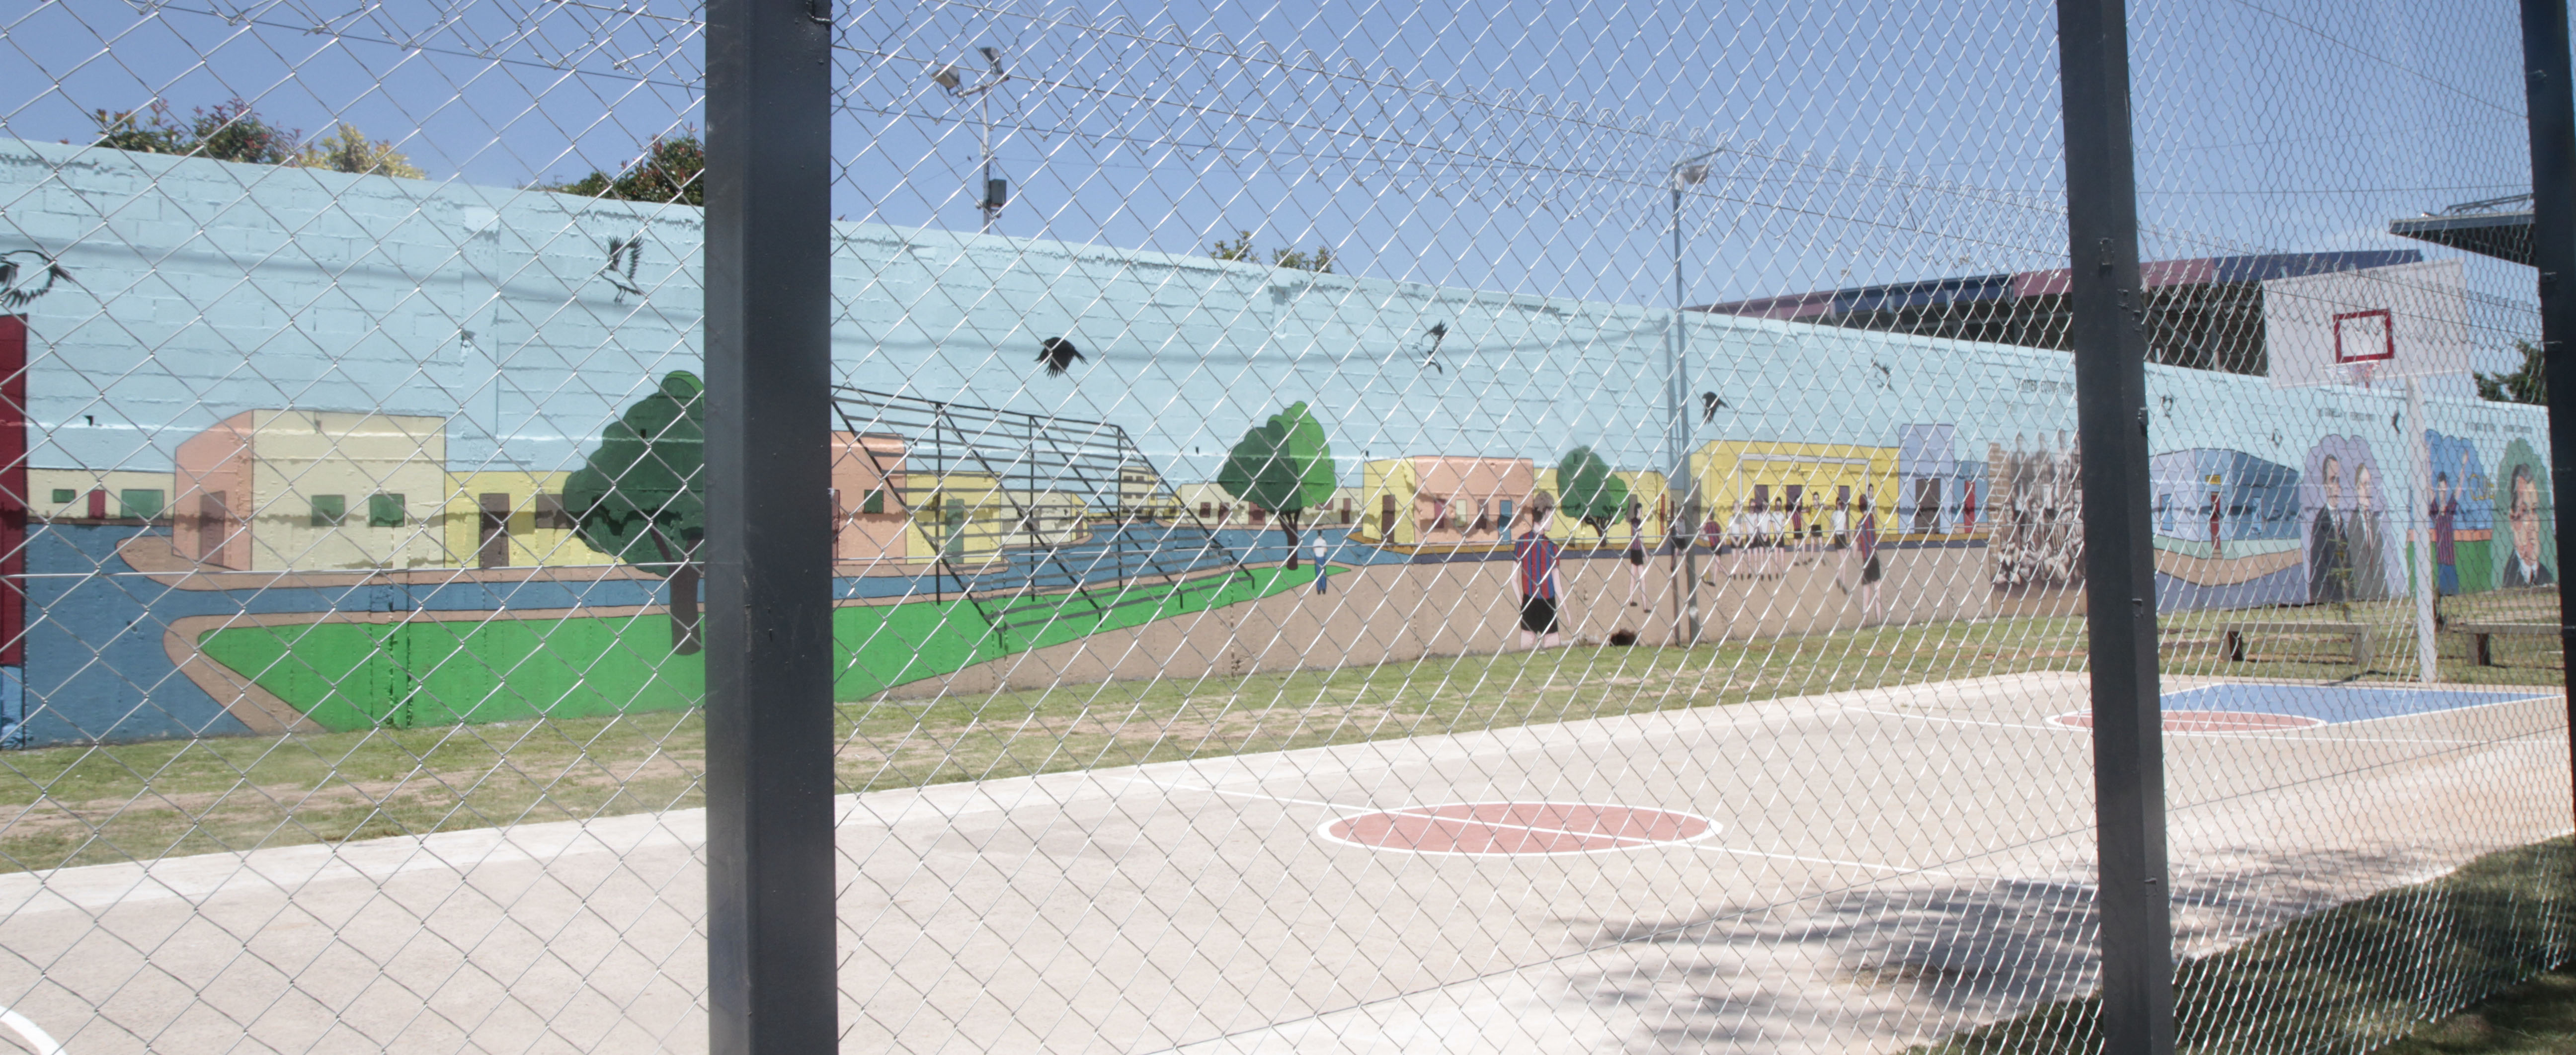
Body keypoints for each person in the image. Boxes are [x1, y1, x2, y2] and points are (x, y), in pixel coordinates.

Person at [1514, 492, 1565, 649]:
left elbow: (1513, 579)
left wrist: (1522, 604)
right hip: (1545, 602)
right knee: (1551, 647)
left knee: (1527, 650)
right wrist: (1566, 609)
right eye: (1553, 516)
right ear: (1547, 513)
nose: (1554, 521)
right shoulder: (1551, 547)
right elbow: (1557, 585)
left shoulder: (1522, 542)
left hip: (1532, 600)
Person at [2502, 465, 2554, 588]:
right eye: (2525, 511)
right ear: (2512, 520)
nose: (2532, 524)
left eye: (2535, 510)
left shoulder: (2546, 575)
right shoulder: (2510, 576)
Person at [2308, 456, 2350, 604]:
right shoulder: (2322, 522)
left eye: (2339, 480)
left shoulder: (2340, 520)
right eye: (2333, 480)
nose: (2337, 486)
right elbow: (2318, 570)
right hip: (2330, 598)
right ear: (2325, 485)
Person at [1853, 495, 1884, 624]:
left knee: (1866, 589)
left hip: (1866, 558)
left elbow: (1855, 548)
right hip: (1874, 556)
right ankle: (1879, 618)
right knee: (1878, 588)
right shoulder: (1871, 519)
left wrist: (1854, 554)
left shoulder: (1859, 525)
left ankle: (1865, 619)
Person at [2432, 472, 2460, 595]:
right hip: (2441, 561)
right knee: (2444, 592)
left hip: (2451, 560)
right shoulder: (2435, 513)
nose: (2442, 491)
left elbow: (2459, 488)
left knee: (2454, 592)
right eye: (2440, 488)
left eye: (2444, 488)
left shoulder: (2450, 509)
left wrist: (2464, 465)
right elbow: (2428, 490)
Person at [1623, 500, 1651, 611]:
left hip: (1633, 551)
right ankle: (1644, 605)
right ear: (1638, 511)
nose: (1641, 512)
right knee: (1642, 580)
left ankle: (1631, 600)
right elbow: (1641, 539)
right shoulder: (1638, 522)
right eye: (1640, 510)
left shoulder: (1633, 522)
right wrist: (1646, 555)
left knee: (1632, 578)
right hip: (1638, 552)